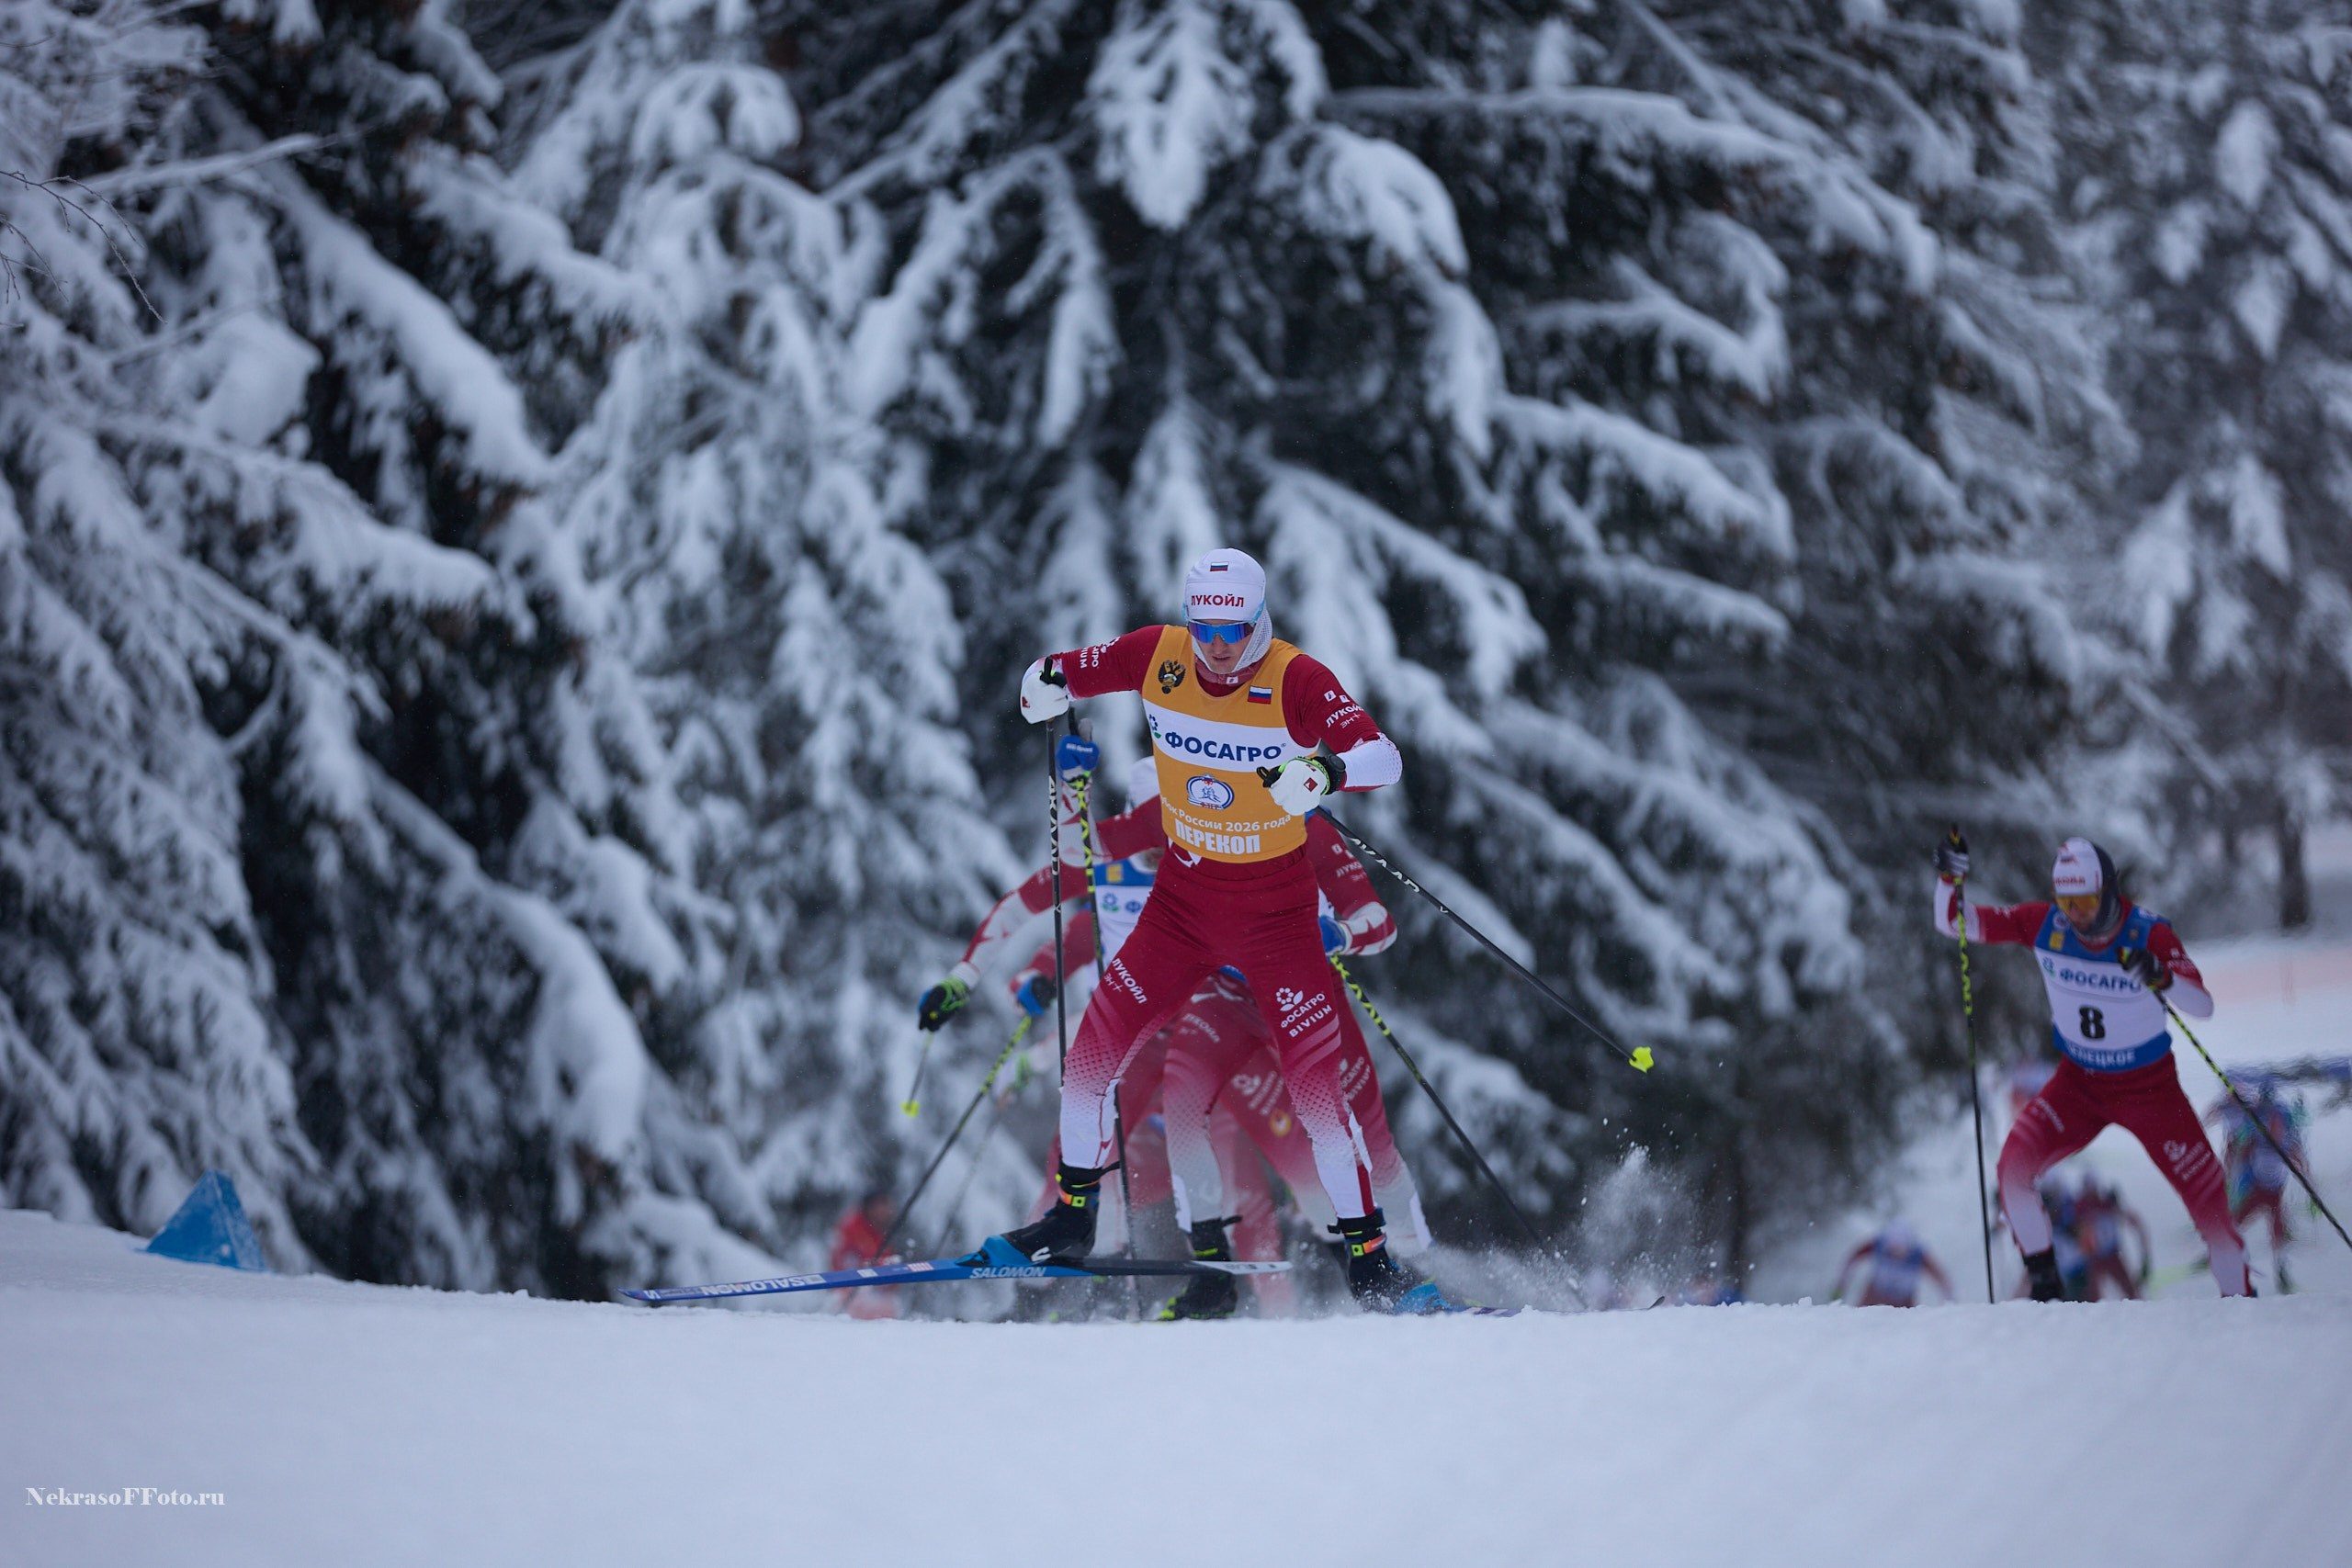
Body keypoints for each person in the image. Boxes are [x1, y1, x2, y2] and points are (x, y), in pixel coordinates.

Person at [990, 547, 1420, 1309]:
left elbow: (1380, 755)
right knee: (1089, 1058)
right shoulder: (1160, 655)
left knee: (1320, 1095)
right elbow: (1062, 671)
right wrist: (1042, 682)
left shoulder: (1295, 677)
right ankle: (1072, 1216)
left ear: (1261, 619)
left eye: (1235, 629)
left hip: (1276, 916)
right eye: (1206, 628)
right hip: (1182, 904)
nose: (1219, 647)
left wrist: (1322, 773)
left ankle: (1372, 1258)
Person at [1934, 833, 2250, 1300]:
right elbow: (1956, 924)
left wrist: (2161, 976)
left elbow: (2201, 1005)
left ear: (2107, 891)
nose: (2075, 914)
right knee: (2013, 1172)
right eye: (2066, 901)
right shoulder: (2044, 924)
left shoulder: (2148, 932)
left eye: (2084, 901)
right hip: (2078, 1085)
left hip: (2150, 1092)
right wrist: (1948, 880)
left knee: (2212, 1208)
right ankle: (2045, 1284)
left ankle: (2242, 1303)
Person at [2211, 1077, 2310, 1292]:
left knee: (2277, 1231)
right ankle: (2220, 1255)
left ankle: (2282, 1271)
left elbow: (2299, 1158)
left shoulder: (2285, 1140)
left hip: (2274, 1193)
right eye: (2272, 1123)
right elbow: (2238, 1149)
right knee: (2236, 1221)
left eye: (2278, 1123)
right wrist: (2234, 1171)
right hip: (2256, 1188)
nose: (2275, 1126)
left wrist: (2308, 1180)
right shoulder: (2257, 1135)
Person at [1834, 1221, 1952, 1307]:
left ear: (1909, 1246)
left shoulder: (1919, 1256)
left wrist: (1949, 1300)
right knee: (1861, 1318)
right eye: (1892, 1248)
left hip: (1905, 1301)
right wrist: (1841, 1285)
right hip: (1874, 1295)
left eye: (1900, 1249)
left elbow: (1940, 1278)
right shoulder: (1877, 1245)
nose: (1896, 1253)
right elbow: (1852, 1259)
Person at [828, 1190, 902, 1321]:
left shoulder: (878, 1231)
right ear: (868, 1207)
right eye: (880, 1205)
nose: (885, 1210)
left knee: (889, 1308)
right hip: (850, 1293)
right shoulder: (854, 1228)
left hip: (870, 1293)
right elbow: (864, 1261)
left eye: (886, 1205)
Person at [2074, 1179, 2151, 1301]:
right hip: (2095, 1257)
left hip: (2112, 1254)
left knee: (2130, 1291)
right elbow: (2079, 1233)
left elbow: (2134, 1221)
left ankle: (2137, 1306)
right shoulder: (2083, 1208)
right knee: (2093, 1295)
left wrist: (2145, 1256)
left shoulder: (2106, 1205)